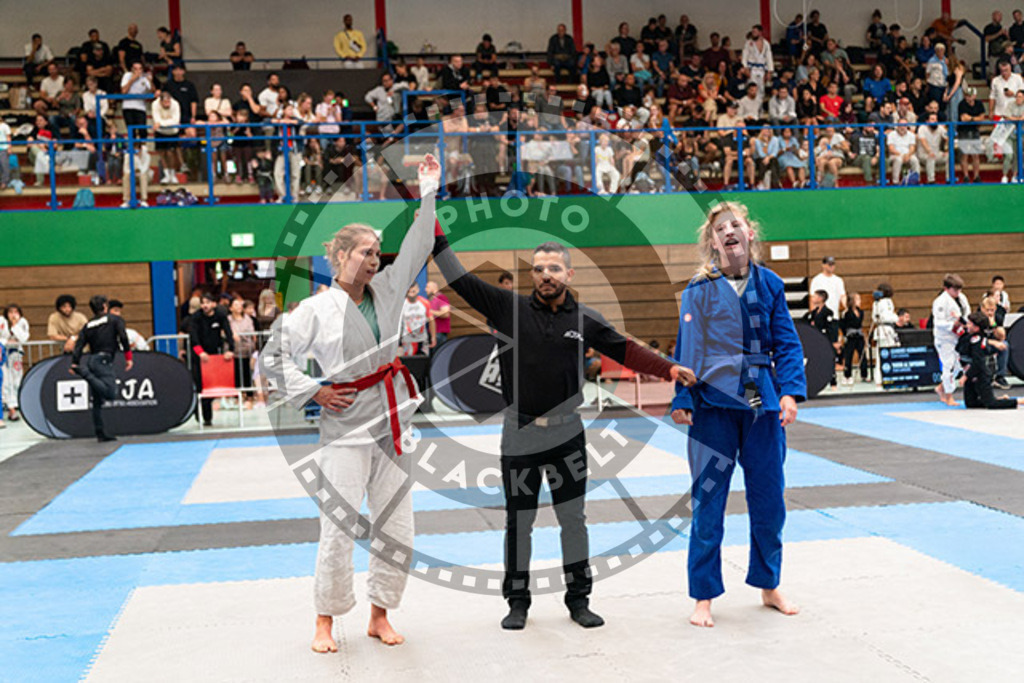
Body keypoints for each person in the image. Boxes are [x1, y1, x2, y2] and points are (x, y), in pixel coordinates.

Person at [431, 232, 695, 631]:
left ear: (569, 274)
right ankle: (517, 601)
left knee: (573, 519)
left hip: (567, 433)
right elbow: (458, 277)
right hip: (519, 432)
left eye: (553, 268)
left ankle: (578, 600)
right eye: (538, 269)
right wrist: (434, 229)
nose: (545, 275)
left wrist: (668, 368)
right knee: (519, 521)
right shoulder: (508, 308)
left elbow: (625, 349)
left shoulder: (585, 319)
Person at [261, 155, 440, 653]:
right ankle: (324, 618)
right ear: (338, 256)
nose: (374, 259)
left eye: (377, 251)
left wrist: (428, 188)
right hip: (346, 424)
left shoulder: (387, 289)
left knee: (396, 522)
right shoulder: (315, 309)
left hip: (394, 419)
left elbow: (420, 242)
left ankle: (380, 613)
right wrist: (315, 390)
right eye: (364, 251)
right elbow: (271, 358)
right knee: (338, 524)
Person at [671, 201, 805, 628]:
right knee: (708, 501)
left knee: (770, 499)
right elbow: (687, 348)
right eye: (719, 228)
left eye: (736, 225)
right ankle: (703, 596)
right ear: (712, 242)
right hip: (712, 404)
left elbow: (786, 344)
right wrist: (683, 399)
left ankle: (768, 584)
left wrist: (790, 393)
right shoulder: (699, 288)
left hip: (760, 405)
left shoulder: (769, 284)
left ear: (750, 234)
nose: (728, 231)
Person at [71, 295, 133, 442]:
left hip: (92, 360)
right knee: (111, 393)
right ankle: (85, 374)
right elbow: (123, 337)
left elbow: (79, 344)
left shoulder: (88, 325)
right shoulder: (114, 320)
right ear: (105, 306)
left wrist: (75, 362)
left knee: (97, 400)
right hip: (103, 361)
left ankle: (100, 432)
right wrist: (128, 357)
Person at [958, 312, 1023, 409]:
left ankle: (1018, 401)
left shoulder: (977, 340)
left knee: (991, 404)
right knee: (971, 403)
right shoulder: (972, 336)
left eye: (969, 323)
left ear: (976, 328)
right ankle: (999, 399)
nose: (967, 325)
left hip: (981, 374)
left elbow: (978, 363)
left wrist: (965, 377)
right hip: (972, 372)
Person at [189, 292, 236, 426]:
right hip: (200, 355)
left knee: (213, 384)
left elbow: (228, 333)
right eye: (203, 303)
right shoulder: (196, 317)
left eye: (208, 303)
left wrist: (231, 350)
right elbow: (193, 337)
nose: (205, 306)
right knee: (200, 386)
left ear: (214, 304)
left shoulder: (220, 315)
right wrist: (201, 353)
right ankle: (200, 413)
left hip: (214, 355)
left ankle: (208, 416)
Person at [931, 273, 969, 406]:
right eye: (955, 290)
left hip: (959, 336)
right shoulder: (940, 302)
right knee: (949, 365)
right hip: (944, 338)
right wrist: (953, 324)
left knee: (959, 366)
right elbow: (938, 323)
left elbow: (966, 313)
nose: (958, 292)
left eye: (959, 289)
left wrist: (965, 323)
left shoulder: (962, 297)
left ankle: (941, 387)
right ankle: (949, 396)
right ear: (946, 288)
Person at [804, 290, 839, 387]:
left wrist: (833, 341)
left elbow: (832, 328)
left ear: (821, 299)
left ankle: (833, 382)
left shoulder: (828, 312)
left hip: (826, 340)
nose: (813, 298)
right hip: (815, 341)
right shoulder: (812, 313)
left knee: (828, 361)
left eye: (815, 296)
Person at [1, 305, 29, 421]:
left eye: (16, 312)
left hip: (16, 355)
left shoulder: (22, 322)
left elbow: (23, 339)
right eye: (10, 312)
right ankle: (10, 407)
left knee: (17, 380)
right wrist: (6, 341)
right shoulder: (1, 321)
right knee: (5, 381)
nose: (13, 314)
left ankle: (17, 404)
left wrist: (14, 326)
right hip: (3, 354)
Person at [399, 283, 435, 356]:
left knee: (423, 362)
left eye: (413, 289)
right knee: (409, 363)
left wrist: (433, 337)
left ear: (418, 290)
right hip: (407, 340)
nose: (411, 291)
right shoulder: (401, 304)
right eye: (409, 289)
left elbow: (431, 320)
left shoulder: (425, 303)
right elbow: (397, 324)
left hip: (422, 340)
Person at [839, 293, 868, 384]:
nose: (860, 301)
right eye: (858, 300)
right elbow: (842, 325)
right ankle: (847, 375)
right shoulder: (846, 313)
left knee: (862, 356)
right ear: (853, 302)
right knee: (848, 357)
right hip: (850, 337)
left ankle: (864, 374)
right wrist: (844, 335)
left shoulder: (861, 312)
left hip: (859, 336)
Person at [120, 61, 153, 138]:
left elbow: (152, 91)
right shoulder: (127, 75)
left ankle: (143, 147)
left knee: (142, 130)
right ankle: (133, 148)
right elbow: (123, 91)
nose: (138, 71)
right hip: (127, 107)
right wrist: (132, 79)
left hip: (140, 107)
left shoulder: (145, 77)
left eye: (140, 69)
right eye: (135, 69)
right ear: (131, 69)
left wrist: (151, 81)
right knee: (131, 131)